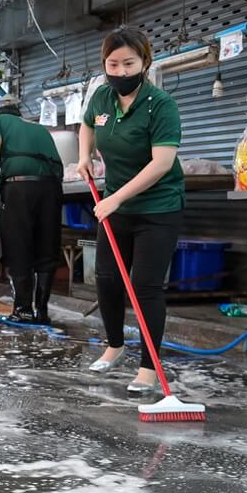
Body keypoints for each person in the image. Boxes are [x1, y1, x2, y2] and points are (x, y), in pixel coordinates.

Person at [76, 26, 185, 394]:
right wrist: (84, 156)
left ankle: (149, 367)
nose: (120, 71)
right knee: (106, 278)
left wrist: (118, 197)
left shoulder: (161, 105)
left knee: (145, 287)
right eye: (113, 64)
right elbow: (86, 125)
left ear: (144, 62)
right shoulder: (103, 98)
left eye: (128, 63)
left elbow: (161, 163)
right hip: (115, 206)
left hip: (158, 207)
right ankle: (114, 345)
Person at [0, 97, 63, 325]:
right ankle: (41, 311)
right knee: (46, 246)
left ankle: (22, 309)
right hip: (51, 188)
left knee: (18, 245)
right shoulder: (38, 128)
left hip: (19, 188)